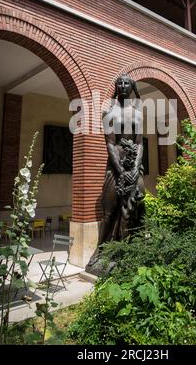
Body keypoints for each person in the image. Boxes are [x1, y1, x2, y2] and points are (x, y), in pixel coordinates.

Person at [86, 74, 145, 270]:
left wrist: (135, 169)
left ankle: (127, 249)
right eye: (119, 83)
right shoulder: (109, 113)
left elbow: (139, 143)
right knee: (109, 211)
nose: (122, 85)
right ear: (116, 87)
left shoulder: (138, 114)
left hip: (133, 167)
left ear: (132, 87)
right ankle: (99, 249)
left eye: (126, 83)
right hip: (115, 168)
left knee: (135, 206)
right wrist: (121, 171)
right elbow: (110, 145)